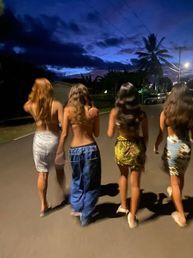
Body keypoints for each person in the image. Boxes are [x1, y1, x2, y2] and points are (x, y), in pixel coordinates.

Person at [154, 82, 193, 227]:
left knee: (174, 181)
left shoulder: (166, 112)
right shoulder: (191, 113)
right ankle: (176, 194)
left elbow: (160, 134)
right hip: (186, 148)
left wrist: (156, 145)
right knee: (180, 177)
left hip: (173, 149)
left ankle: (181, 216)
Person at [56, 83, 101, 226]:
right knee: (91, 184)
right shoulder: (93, 110)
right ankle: (86, 215)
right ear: (86, 94)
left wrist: (59, 151)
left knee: (77, 179)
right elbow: (97, 133)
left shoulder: (67, 110)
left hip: (74, 150)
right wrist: (94, 116)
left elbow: (64, 134)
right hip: (90, 148)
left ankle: (76, 207)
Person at [107, 82, 148, 229]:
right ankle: (132, 215)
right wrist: (142, 149)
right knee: (135, 183)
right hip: (136, 147)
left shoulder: (115, 112)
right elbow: (146, 136)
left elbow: (110, 134)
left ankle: (124, 206)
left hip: (121, 148)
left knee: (123, 176)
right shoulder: (141, 114)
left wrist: (117, 127)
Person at [23, 78, 65, 217]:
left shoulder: (32, 105)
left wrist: (34, 96)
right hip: (53, 139)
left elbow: (25, 105)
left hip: (39, 140)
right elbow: (63, 126)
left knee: (42, 173)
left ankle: (43, 205)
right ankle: (63, 194)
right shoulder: (57, 105)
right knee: (59, 168)